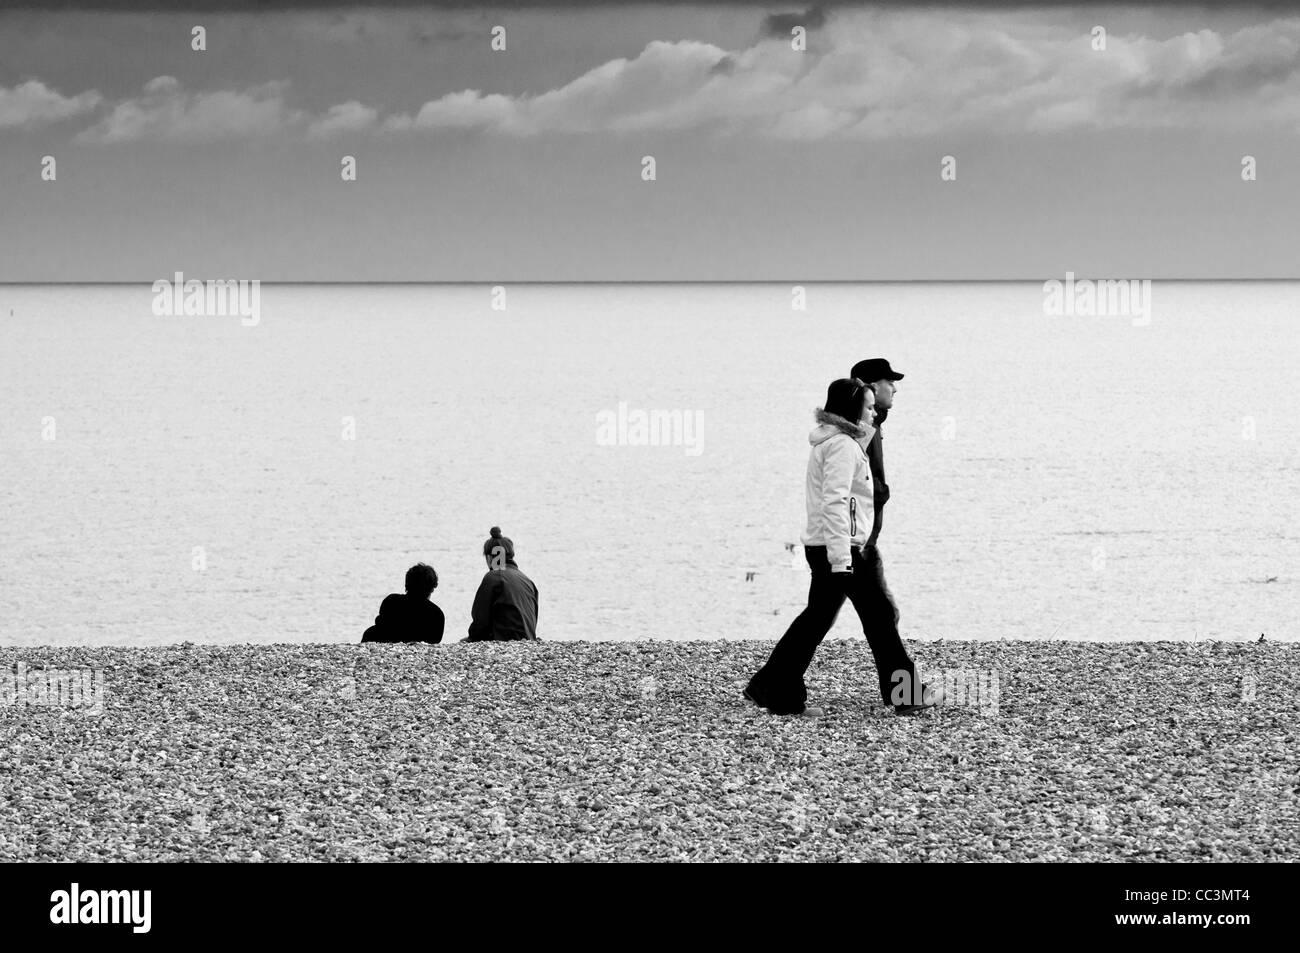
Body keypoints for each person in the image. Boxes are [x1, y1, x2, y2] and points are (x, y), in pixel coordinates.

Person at [745, 378, 932, 717]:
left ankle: (772, 687)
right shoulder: (842, 446)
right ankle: (906, 696)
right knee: (879, 620)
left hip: (831, 546)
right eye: (868, 406)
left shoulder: (835, 442)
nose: (874, 412)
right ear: (852, 409)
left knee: (819, 620)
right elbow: (834, 501)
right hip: (841, 548)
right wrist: (843, 558)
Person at [467, 527, 539, 641]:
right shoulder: (527, 581)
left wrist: (472, 638)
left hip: (504, 641)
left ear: (489, 557)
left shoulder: (492, 577)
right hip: (529, 640)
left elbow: (480, 620)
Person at [361, 563, 445, 644]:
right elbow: (435, 640)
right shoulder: (436, 614)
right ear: (432, 588)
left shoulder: (391, 601)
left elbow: (380, 623)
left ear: (407, 583)